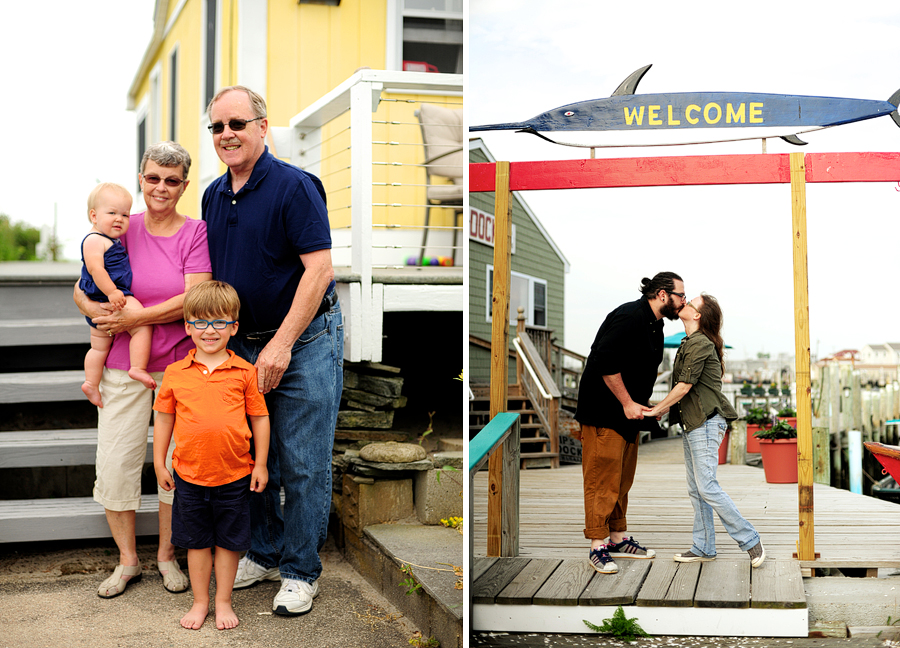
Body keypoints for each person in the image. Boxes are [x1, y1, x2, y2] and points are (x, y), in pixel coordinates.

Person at [202, 85, 343, 617]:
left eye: (237, 123)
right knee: (252, 457)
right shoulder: (214, 194)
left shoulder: (295, 186)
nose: (227, 135)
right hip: (241, 345)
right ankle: (261, 553)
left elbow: (319, 269)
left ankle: (301, 571)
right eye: (217, 127)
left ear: (263, 126)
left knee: (304, 463)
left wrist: (282, 345)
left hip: (304, 343)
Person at [74, 141, 212, 598]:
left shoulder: (195, 232)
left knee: (177, 465)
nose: (161, 187)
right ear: (141, 178)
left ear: (183, 186)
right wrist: (88, 304)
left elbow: (194, 298)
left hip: (178, 366)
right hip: (119, 365)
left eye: (171, 181)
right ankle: (128, 561)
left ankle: (167, 556)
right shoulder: (118, 224)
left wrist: (136, 318)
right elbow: (84, 285)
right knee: (117, 463)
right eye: (153, 178)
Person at [153, 280, 270, 630]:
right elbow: (164, 419)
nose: (210, 330)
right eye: (201, 322)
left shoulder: (245, 372)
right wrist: (159, 462)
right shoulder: (175, 374)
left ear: (234, 327)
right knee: (197, 543)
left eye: (220, 322)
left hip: (234, 475)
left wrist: (261, 463)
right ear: (188, 326)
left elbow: (259, 418)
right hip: (189, 476)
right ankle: (201, 601)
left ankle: (223, 601)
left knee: (229, 543)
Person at [574, 271, 685, 574]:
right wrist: (626, 402)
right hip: (603, 414)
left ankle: (618, 538)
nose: (683, 302)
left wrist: (646, 405)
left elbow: (636, 371)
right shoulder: (629, 316)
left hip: (628, 417)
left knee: (621, 481)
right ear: (663, 294)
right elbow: (604, 362)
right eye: (680, 296)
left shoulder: (656, 325)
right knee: (601, 481)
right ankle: (597, 546)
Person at [644, 294, 765, 568]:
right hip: (694, 422)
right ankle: (703, 547)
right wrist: (658, 406)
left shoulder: (700, 343)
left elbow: (685, 386)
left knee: (707, 486)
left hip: (707, 422)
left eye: (690, 303)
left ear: (697, 315)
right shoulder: (689, 342)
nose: (684, 305)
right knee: (697, 489)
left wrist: (657, 410)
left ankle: (750, 540)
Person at [79, 182, 155, 407]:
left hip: (105, 297)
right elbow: (96, 270)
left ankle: (91, 384)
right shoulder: (94, 240)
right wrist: (112, 292)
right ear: (94, 215)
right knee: (142, 325)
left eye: (125, 214)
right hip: (110, 295)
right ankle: (137, 368)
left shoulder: (108, 239)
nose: (119, 218)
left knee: (99, 347)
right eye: (112, 212)